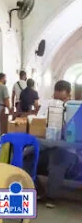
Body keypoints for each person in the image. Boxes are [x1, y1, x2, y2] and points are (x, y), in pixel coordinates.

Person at [34, 80, 78, 208]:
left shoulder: (74, 109)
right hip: (47, 145)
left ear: (69, 96)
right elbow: (38, 123)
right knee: (26, 156)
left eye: (62, 99)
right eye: (56, 98)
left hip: (66, 149)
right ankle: (37, 190)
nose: (59, 102)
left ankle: (51, 196)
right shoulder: (47, 105)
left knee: (58, 161)